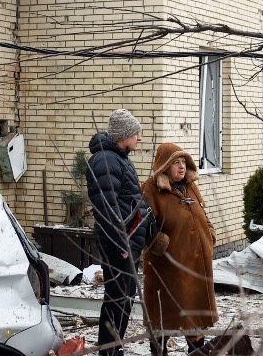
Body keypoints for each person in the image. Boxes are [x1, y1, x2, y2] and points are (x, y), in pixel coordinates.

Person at [141, 142, 217, 356]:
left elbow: (202, 212)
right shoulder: (150, 189)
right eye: (176, 163)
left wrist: (209, 232)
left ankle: (196, 351)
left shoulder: (190, 186)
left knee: (195, 317)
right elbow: (141, 224)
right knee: (164, 317)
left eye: (183, 162)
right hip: (168, 266)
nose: (182, 167)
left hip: (196, 264)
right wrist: (156, 243)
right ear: (164, 166)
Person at [87, 108, 151, 356]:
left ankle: (114, 349)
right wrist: (121, 243)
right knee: (118, 300)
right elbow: (106, 207)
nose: (140, 138)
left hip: (128, 242)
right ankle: (110, 351)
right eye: (136, 133)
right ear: (123, 135)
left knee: (123, 299)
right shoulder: (106, 161)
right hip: (119, 245)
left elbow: (127, 200)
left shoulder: (118, 158)